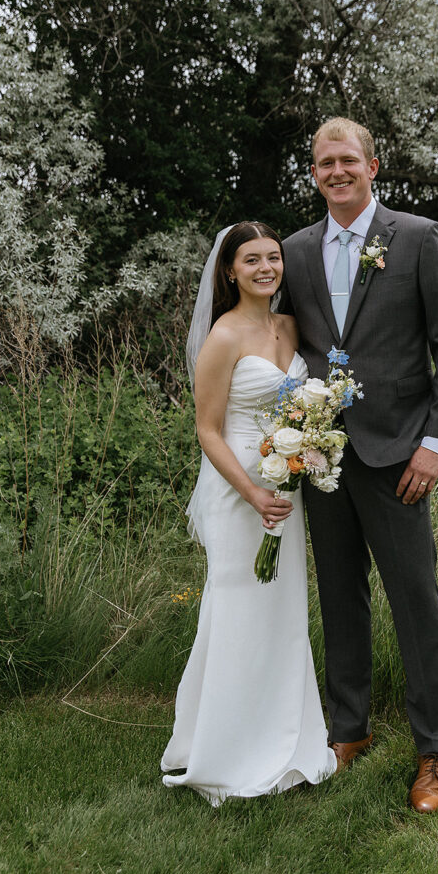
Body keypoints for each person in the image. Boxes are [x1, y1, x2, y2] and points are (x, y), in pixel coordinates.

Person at [279, 118, 438, 813]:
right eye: (324, 163)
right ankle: (348, 730)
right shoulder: (296, 251)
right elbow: (290, 346)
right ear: (313, 174)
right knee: (339, 594)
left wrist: (435, 444)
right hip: (325, 456)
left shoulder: (416, 238)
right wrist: (291, 431)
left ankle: (433, 752)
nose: (336, 171)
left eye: (347, 161)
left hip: (399, 454)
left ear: (372, 166)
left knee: (414, 601)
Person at [160, 221, 336, 805]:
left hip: (287, 484)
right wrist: (253, 492)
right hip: (240, 491)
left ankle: (288, 737)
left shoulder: (291, 326)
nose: (266, 267)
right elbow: (207, 430)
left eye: (274, 257)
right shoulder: (224, 335)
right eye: (252, 259)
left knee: (281, 610)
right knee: (237, 606)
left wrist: (306, 454)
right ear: (230, 271)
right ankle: (225, 749)